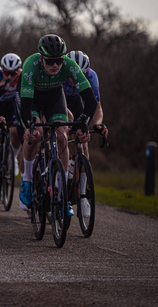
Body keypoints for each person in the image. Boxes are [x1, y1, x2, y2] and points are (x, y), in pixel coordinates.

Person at [15, 34, 97, 216]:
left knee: (62, 136)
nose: (55, 65)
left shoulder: (69, 65)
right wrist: (29, 125)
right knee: (35, 133)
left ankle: (62, 194)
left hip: (54, 96)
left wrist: (84, 123)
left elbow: (90, 101)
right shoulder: (30, 66)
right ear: (41, 58)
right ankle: (27, 180)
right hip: (32, 97)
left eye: (59, 61)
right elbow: (26, 106)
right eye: (50, 61)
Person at [63, 50, 108, 158]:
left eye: (81, 74)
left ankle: (82, 173)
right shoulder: (60, 74)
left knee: (82, 145)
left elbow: (96, 105)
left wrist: (97, 123)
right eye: (72, 75)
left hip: (75, 103)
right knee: (60, 138)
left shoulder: (91, 76)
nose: (76, 77)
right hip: (59, 102)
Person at [0, 53, 22, 192]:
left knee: (15, 131)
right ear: (2, 70)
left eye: (12, 73)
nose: (9, 76)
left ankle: (12, 157)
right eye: (6, 73)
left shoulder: (21, 77)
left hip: (13, 107)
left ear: (18, 71)